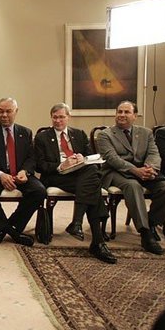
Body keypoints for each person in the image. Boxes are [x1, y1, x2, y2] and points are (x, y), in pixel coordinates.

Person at [34, 103, 116, 264]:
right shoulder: (42, 137)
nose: (58, 120)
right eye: (55, 117)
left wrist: (82, 159)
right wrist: (61, 165)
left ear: (68, 117)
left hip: (79, 174)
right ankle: (97, 241)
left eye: (62, 117)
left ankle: (79, 225)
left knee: (90, 176)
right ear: (51, 118)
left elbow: (92, 158)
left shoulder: (79, 134)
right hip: (57, 176)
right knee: (92, 185)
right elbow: (39, 165)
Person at [97, 101, 165, 255]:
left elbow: (154, 153)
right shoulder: (105, 134)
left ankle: (151, 222)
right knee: (133, 186)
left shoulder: (146, 133)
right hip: (117, 172)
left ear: (135, 116)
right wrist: (135, 170)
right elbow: (112, 158)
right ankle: (145, 233)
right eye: (119, 112)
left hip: (144, 171)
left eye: (126, 112)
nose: (122, 115)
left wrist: (150, 168)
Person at [0, 97, 46, 246]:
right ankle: (13, 233)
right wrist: (0, 175)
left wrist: (25, 172)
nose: (4, 115)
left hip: (19, 174)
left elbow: (31, 158)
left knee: (39, 191)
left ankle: (8, 228)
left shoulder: (25, 132)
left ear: (16, 112)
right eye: (1, 111)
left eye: (8, 111)